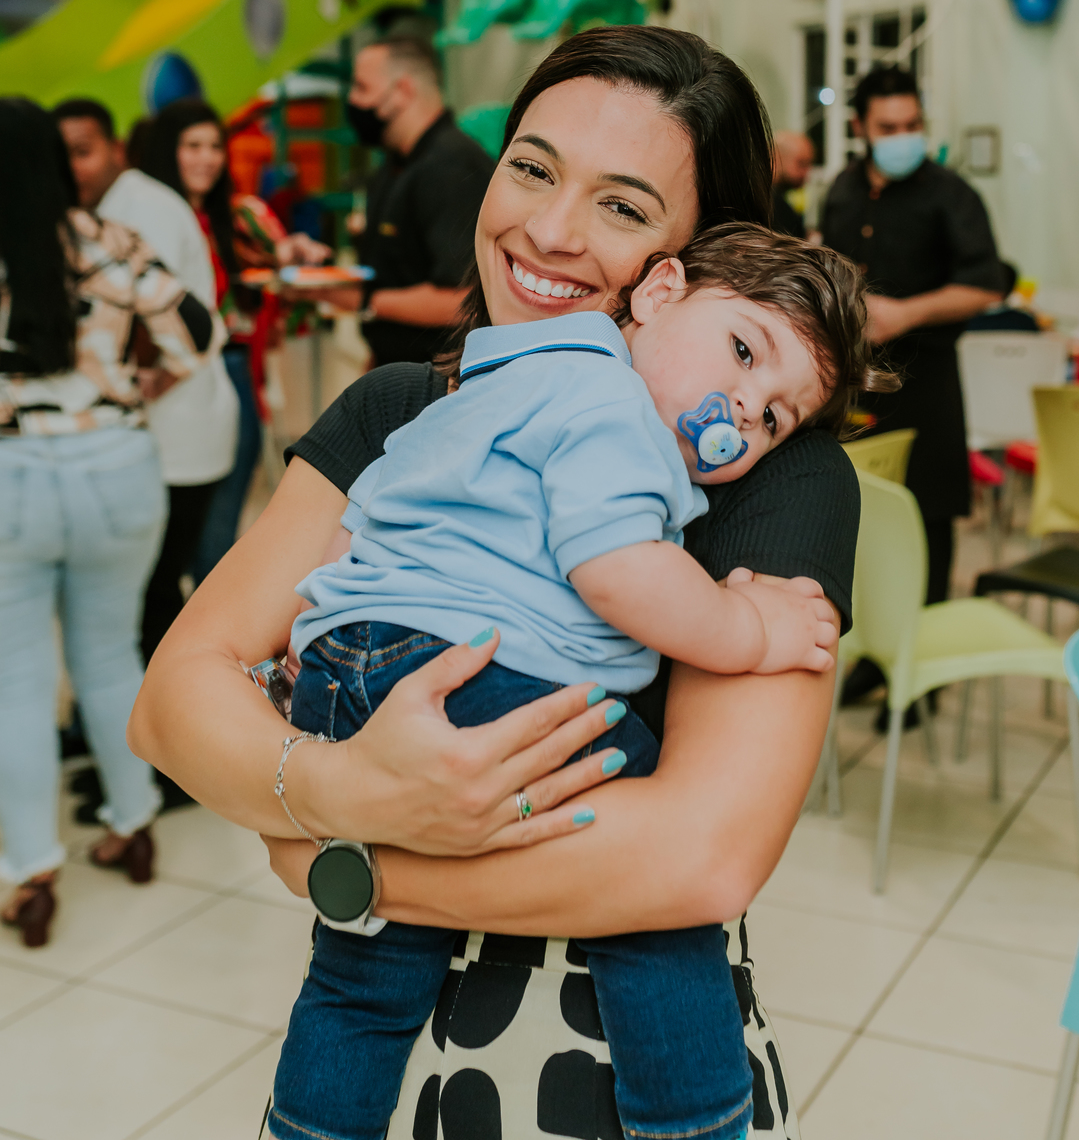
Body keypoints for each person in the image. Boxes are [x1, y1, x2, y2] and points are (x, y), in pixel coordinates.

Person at [130, 27, 861, 1140]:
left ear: (688, 264)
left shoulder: (766, 468)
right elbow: (174, 697)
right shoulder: (393, 412)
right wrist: (342, 794)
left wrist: (337, 852)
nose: (550, 230)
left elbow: (702, 853)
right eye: (531, 166)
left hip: (617, 1068)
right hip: (384, 1059)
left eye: (622, 205)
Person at [273, 225, 874, 1140]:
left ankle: (307, 1126)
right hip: (477, 671)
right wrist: (750, 627)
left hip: (352, 668)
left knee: (360, 976)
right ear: (659, 291)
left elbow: (374, 506)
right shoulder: (613, 405)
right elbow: (618, 571)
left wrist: (325, 648)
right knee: (655, 894)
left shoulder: (500, 378)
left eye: (771, 419)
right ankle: (695, 1119)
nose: (740, 409)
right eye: (745, 351)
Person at [0, 98, 215, 948]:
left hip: (13, 472)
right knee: (111, 653)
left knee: (15, 679)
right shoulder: (109, 242)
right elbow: (197, 330)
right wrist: (146, 386)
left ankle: (32, 872)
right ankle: (134, 823)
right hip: (120, 466)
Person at [54, 97, 238, 662]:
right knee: (144, 598)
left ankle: (158, 737)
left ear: (114, 149)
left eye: (83, 153)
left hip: (179, 442)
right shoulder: (110, 206)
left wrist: (135, 386)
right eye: (61, 156)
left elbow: (178, 328)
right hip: (168, 437)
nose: (72, 168)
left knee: (152, 599)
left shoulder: (139, 210)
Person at [821, 64, 1006, 628]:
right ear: (860, 126)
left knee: (927, 516)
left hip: (928, 379)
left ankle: (920, 647)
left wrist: (906, 313)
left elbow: (986, 284)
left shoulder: (951, 194)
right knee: (858, 513)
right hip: (855, 377)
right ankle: (874, 650)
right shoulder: (844, 188)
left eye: (912, 123)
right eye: (889, 125)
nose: (904, 136)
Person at [139, 100, 329, 589]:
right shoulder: (149, 220)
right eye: (192, 146)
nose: (206, 159)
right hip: (168, 383)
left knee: (217, 532)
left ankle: (203, 643)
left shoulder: (239, 216)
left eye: (214, 147)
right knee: (163, 533)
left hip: (233, 373)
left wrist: (300, 256)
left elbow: (283, 260)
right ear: (168, 151)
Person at [345, 31, 494, 366]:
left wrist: (363, 300)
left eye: (362, 88)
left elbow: (461, 300)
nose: (353, 102)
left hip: (441, 382)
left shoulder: (452, 167)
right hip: (399, 371)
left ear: (403, 91)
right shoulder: (395, 166)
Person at [771, 129, 814, 239]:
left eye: (809, 165)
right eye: (801, 164)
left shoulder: (781, 199)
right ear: (775, 158)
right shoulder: (770, 206)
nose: (806, 173)